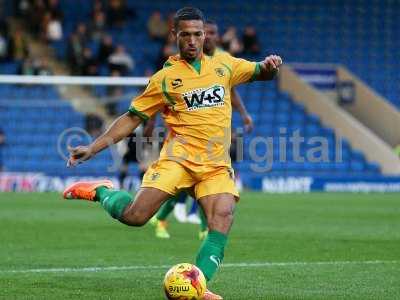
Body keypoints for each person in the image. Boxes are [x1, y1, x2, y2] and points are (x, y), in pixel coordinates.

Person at [63, 7, 282, 300]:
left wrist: (269, 66)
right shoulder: (165, 78)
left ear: (204, 36)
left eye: (197, 34)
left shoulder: (224, 65)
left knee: (223, 217)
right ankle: (102, 190)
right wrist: (93, 147)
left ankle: (199, 285)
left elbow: (259, 73)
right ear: (174, 36)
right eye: (186, 35)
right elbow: (131, 118)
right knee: (135, 216)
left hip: (215, 166)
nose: (192, 41)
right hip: (177, 161)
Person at [152, 19, 255, 240]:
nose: (207, 37)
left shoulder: (222, 61)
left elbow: (231, 92)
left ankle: (203, 228)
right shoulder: (179, 64)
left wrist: (244, 114)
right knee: (177, 189)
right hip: (184, 141)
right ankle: (161, 219)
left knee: (208, 188)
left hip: (213, 141)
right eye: (204, 32)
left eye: (211, 33)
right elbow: (168, 98)